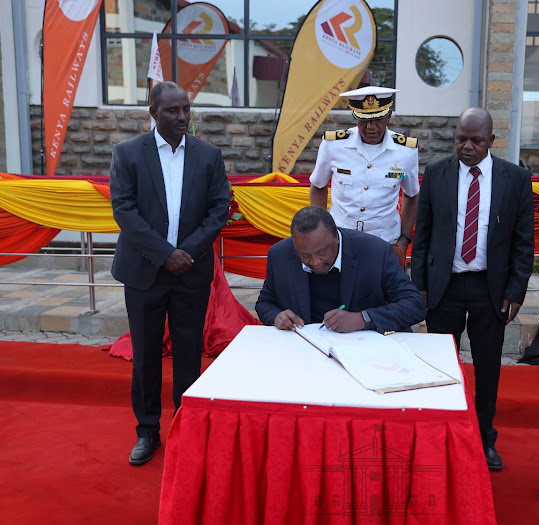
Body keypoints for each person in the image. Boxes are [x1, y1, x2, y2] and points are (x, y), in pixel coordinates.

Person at [110, 81, 230, 466]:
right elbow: (124, 211)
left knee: (189, 354)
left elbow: (219, 208)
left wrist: (186, 253)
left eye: (186, 110)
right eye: (173, 111)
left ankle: (185, 426)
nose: (182, 118)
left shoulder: (208, 155)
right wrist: (164, 255)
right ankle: (147, 432)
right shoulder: (127, 154)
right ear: (153, 112)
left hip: (191, 272)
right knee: (145, 356)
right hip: (144, 272)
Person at [411, 107, 535, 471]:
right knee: (440, 366)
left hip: (490, 289)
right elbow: (424, 235)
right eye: (460, 139)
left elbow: (523, 243)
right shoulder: (436, 173)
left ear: (491, 141)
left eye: (475, 141)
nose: (466, 147)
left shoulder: (515, 179)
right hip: (443, 288)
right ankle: (439, 434)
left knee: (487, 369)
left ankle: (483, 439)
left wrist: (515, 290)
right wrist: (419, 286)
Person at [256, 206, 426, 334]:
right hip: (305, 352)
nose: (315, 262)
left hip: (365, 350)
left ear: (336, 237)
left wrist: (364, 318)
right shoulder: (280, 255)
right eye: (305, 255)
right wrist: (277, 317)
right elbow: (264, 303)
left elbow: (415, 305)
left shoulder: (376, 252)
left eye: (322, 253)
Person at [309, 86, 420, 256]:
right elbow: (318, 185)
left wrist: (404, 239)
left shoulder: (406, 150)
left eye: (378, 120)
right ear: (354, 117)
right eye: (363, 120)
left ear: (389, 116)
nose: (371, 127)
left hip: (385, 242)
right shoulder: (333, 145)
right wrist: (321, 230)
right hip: (340, 240)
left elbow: (411, 194)